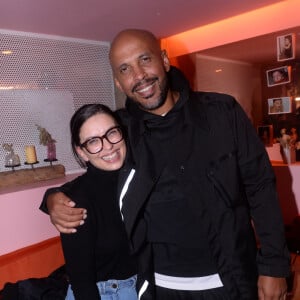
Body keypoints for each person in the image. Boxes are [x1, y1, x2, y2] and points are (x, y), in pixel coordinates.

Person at [40, 29, 290, 300]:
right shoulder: (122, 132)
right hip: (159, 288)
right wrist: (53, 198)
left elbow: (261, 187)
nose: (139, 75)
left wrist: (274, 265)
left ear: (165, 60)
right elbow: (93, 179)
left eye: (145, 59)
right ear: (119, 83)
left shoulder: (222, 113)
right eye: (125, 69)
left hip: (232, 280)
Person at [53, 103, 138, 300]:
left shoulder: (137, 180)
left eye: (112, 133)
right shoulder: (76, 200)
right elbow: (81, 281)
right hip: (106, 294)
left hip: (141, 286)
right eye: (93, 141)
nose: (108, 145)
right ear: (82, 152)